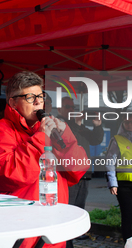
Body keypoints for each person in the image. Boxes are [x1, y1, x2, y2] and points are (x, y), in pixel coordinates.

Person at [0, 71, 89, 248]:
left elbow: (78, 170)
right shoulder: (1, 130)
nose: (38, 101)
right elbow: (8, 175)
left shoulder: (48, 130)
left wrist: (66, 138)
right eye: (30, 97)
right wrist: (40, 139)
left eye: (40, 96)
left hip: (52, 229)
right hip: (22, 234)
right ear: (13, 102)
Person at [57, 97, 103, 246]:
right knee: (68, 211)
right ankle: (66, 242)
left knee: (78, 209)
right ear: (59, 109)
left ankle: (72, 239)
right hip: (69, 175)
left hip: (84, 174)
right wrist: (77, 124)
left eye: (73, 106)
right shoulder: (58, 124)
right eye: (67, 106)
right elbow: (67, 142)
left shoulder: (78, 126)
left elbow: (95, 139)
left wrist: (97, 125)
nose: (71, 109)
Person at [105, 114, 132, 243]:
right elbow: (110, 162)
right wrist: (112, 183)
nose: (130, 124)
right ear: (123, 124)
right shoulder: (117, 139)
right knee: (127, 216)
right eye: (127, 122)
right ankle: (127, 242)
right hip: (125, 185)